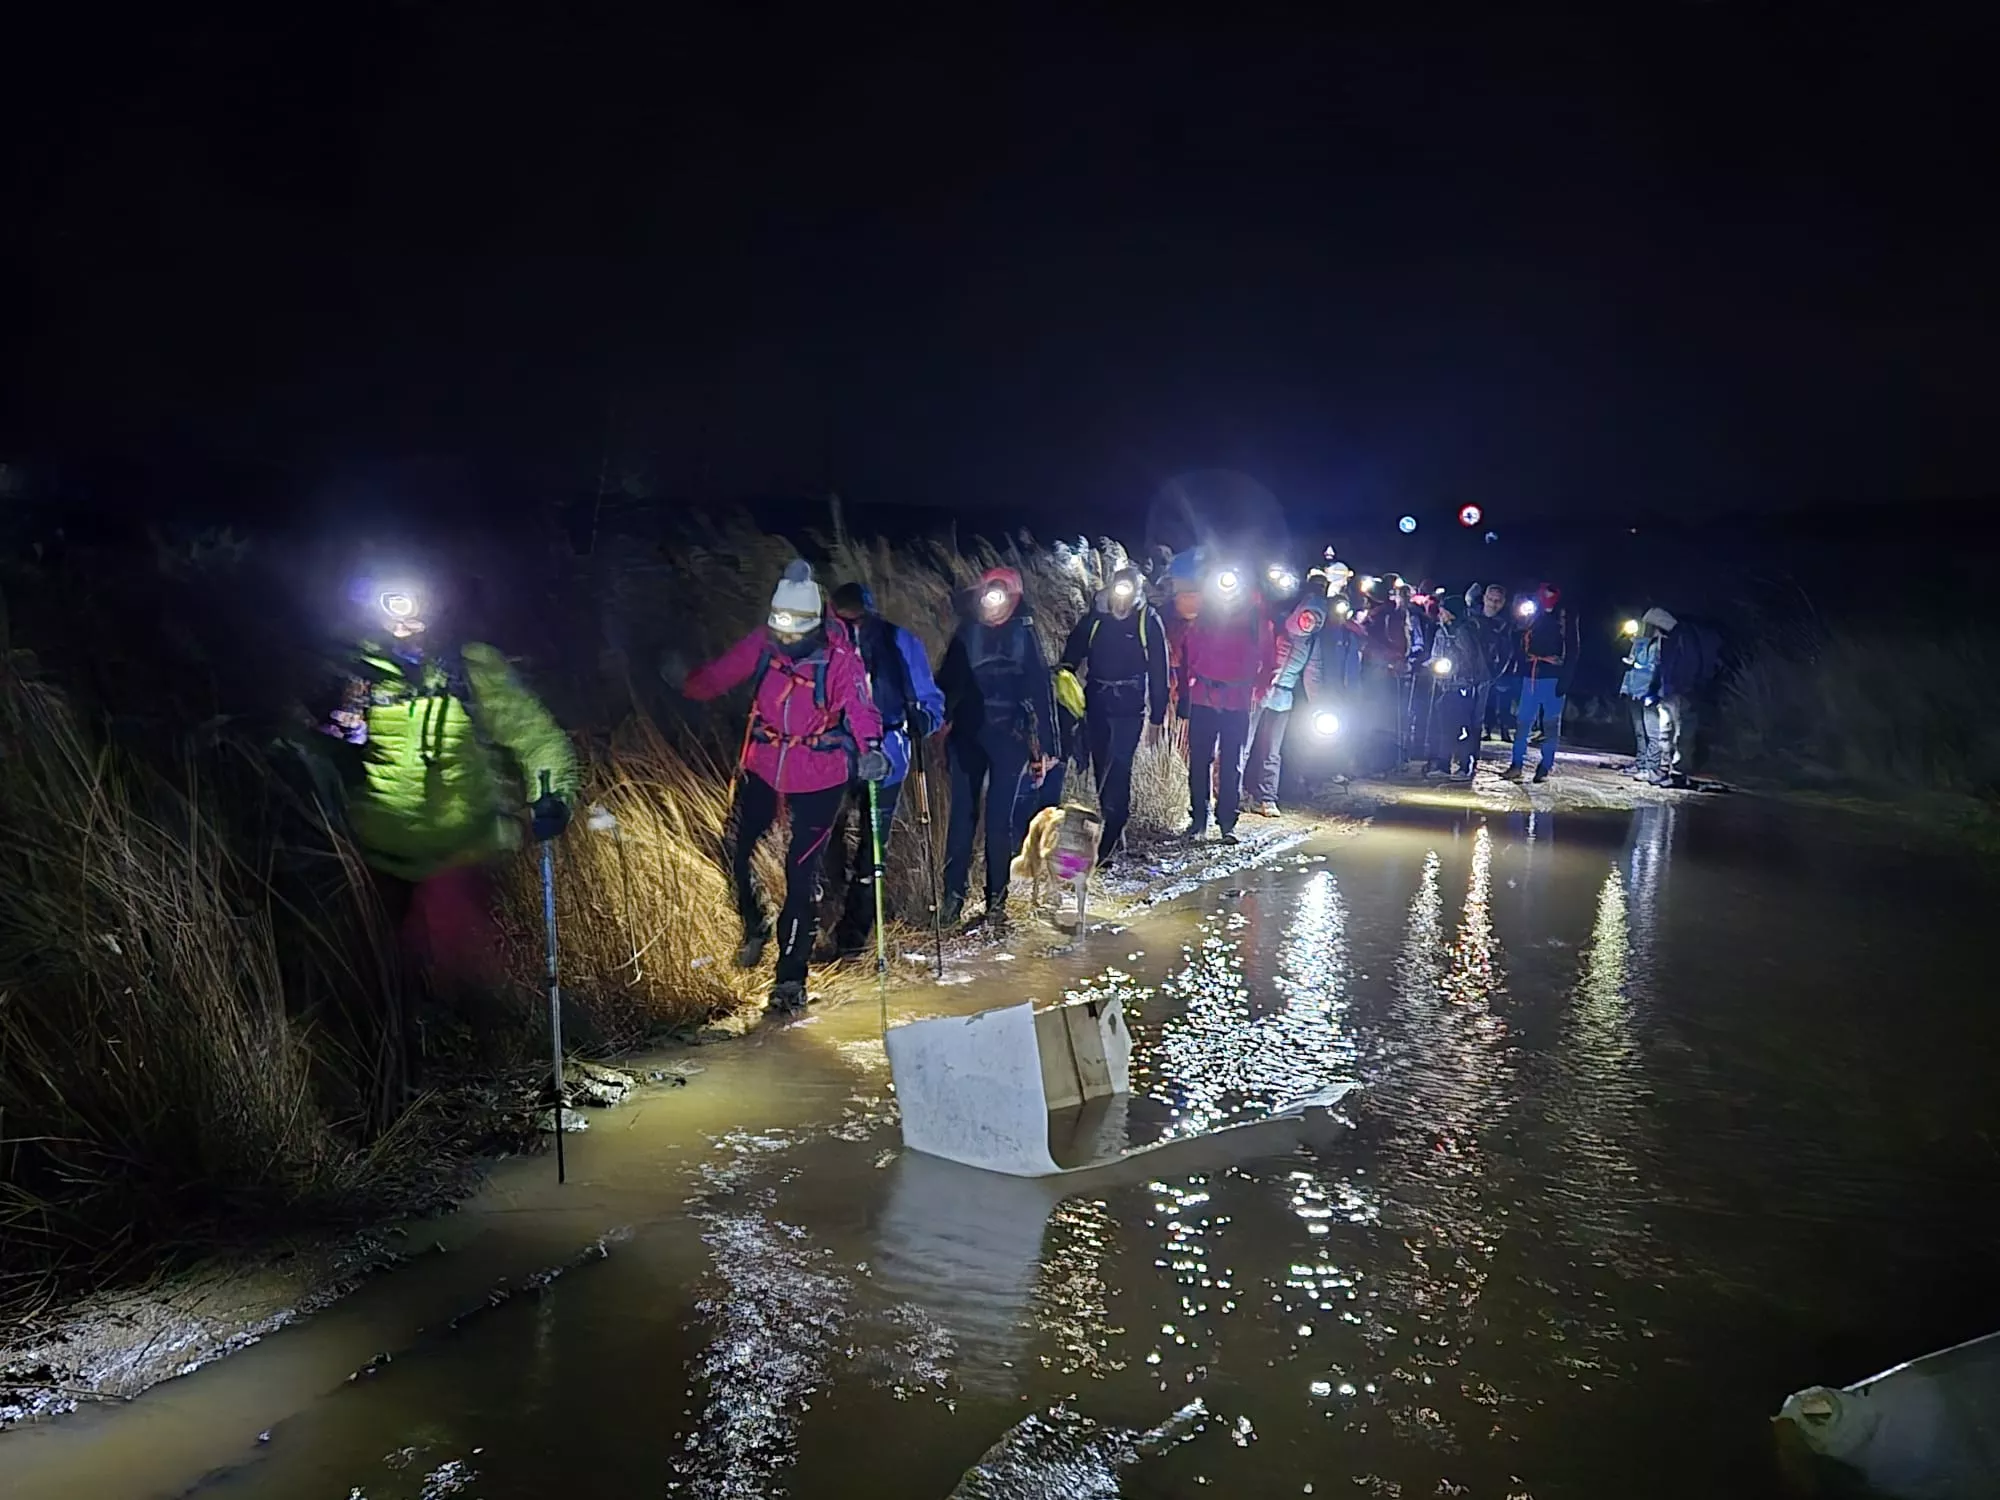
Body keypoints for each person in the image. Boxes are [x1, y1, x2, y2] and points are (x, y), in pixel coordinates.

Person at [327, 577, 578, 1011]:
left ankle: (487, 1047)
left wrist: (554, 797)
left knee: (458, 988)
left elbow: (537, 738)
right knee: (379, 995)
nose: (401, 616)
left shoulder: (473, 667)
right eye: (388, 602)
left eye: (410, 600)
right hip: (375, 863)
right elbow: (323, 746)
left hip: (462, 855)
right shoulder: (358, 670)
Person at [681, 560, 887, 1013]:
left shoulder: (839, 657)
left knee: (800, 873)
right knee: (735, 846)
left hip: (820, 775)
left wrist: (871, 747)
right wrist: (684, 685)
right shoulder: (763, 643)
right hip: (765, 765)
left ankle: (789, 980)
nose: (787, 637)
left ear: (815, 624)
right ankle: (754, 922)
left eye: (796, 630)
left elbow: (861, 707)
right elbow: (721, 674)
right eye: (781, 627)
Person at [825, 582, 945, 957]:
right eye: (845, 617)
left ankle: (853, 937)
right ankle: (829, 916)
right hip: (833, 758)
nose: (853, 624)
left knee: (872, 849)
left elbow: (929, 698)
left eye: (858, 616)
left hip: (888, 756)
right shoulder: (823, 644)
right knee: (826, 841)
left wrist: (925, 719)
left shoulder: (899, 642)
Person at [936, 566, 1057, 930]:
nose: (994, 602)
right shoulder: (967, 633)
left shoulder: (1025, 635)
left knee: (998, 822)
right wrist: (936, 718)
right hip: (967, 737)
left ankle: (996, 903)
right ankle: (951, 902)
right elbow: (947, 682)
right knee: (961, 819)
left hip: (1010, 739)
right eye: (990, 593)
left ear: (1015, 600)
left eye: (1003, 594)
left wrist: (1047, 748)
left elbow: (1041, 690)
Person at [1060, 564, 1171, 864]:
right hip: (1097, 702)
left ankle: (1108, 846)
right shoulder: (1097, 618)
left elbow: (1160, 671)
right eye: (1117, 589)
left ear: (1137, 592)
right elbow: (1074, 648)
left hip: (1129, 708)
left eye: (1128, 590)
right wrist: (1064, 674)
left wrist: (1157, 717)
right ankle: (1114, 833)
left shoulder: (1147, 621)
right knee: (1101, 770)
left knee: (1119, 770)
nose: (1121, 597)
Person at [1179, 562, 1276, 842]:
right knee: (1199, 761)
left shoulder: (1256, 618)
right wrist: (1184, 691)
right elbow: (1188, 651)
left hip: (1237, 699)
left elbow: (1268, 657)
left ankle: (1227, 823)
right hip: (1204, 698)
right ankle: (1199, 820)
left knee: (1232, 762)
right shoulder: (1205, 614)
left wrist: (1260, 688)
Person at [1245, 595, 1327, 815]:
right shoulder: (1280, 627)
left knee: (1271, 751)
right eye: (1308, 616)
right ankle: (1228, 793)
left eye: (1316, 620)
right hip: (1258, 692)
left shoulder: (1311, 644)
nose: (1309, 623)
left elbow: (1313, 675)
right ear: (1301, 613)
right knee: (1243, 744)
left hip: (1282, 699)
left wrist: (1317, 704)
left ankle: (1267, 798)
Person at [1501, 582, 1580, 784]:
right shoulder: (1532, 616)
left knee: (1550, 725)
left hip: (1553, 678)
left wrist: (1566, 679)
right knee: (1523, 723)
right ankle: (1517, 764)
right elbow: (1518, 642)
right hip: (1531, 676)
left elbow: (1573, 650)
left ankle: (1545, 765)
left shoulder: (1565, 618)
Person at [1646, 606, 1721, 787]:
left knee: (1680, 734)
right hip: (1669, 692)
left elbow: (1687, 664)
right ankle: (1665, 769)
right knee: (1667, 732)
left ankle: (1677, 772)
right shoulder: (1669, 638)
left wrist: (1683, 688)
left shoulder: (1683, 637)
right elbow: (1663, 667)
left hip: (1679, 692)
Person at [1425, 594, 1493, 778]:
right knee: (1445, 726)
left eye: (1444, 611)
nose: (1440, 614)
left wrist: (1454, 669)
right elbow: (1435, 654)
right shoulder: (1441, 631)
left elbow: (1469, 658)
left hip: (1463, 685)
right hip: (1446, 685)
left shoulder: (1463, 632)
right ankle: (1443, 764)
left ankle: (1465, 765)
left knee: (1464, 726)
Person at [1619, 613, 1664, 779]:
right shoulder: (1640, 643)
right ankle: (1642, 764)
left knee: (1651, 731)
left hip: (1648, 693)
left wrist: (1637, 665)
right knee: (1639, 731)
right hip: (1635, 692)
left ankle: (1652, 767)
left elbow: (1655, 669)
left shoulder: (1658, 645)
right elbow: (1631, 667)